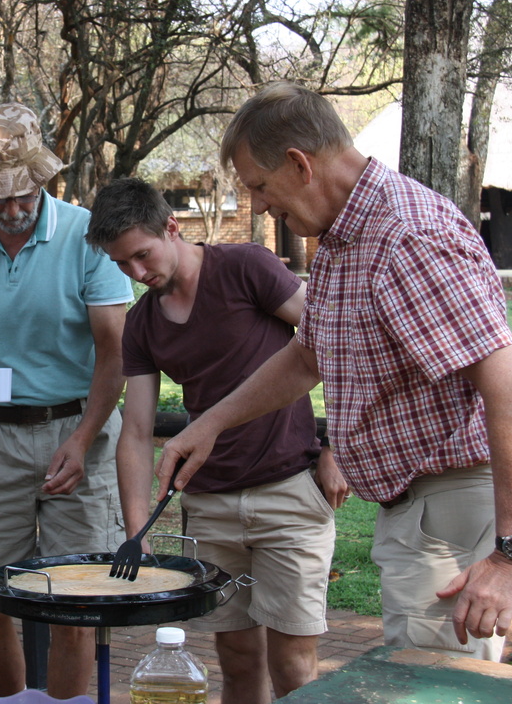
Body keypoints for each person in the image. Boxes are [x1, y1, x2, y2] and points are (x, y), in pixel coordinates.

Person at [161, 82, 512, 662]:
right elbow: (308, 356)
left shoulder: (406, 236)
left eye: (260, 187)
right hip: (416, 510)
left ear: (299, 164)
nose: (261, 206)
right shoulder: (344, 238)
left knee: (429, 691)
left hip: (455, 507)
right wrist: (209, 425)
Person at [85, 177, 346, 702]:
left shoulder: (247, 268)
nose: (137, 274)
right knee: (237, 657)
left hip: (288, 493)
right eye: (121, 265)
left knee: (293, 661)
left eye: (142, 255)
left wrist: (336, 447)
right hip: (209, 506)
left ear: (172, 228)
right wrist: (138, 532)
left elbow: (337, 343)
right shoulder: (141, 324)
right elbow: (135, 431)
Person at [0, 102, 134, 698]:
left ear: (44, 181)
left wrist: (83, 439)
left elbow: (115, 355)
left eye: (24, 197)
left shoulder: (86, 237)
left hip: (78, 430)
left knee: (76, 603)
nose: (13, 212)